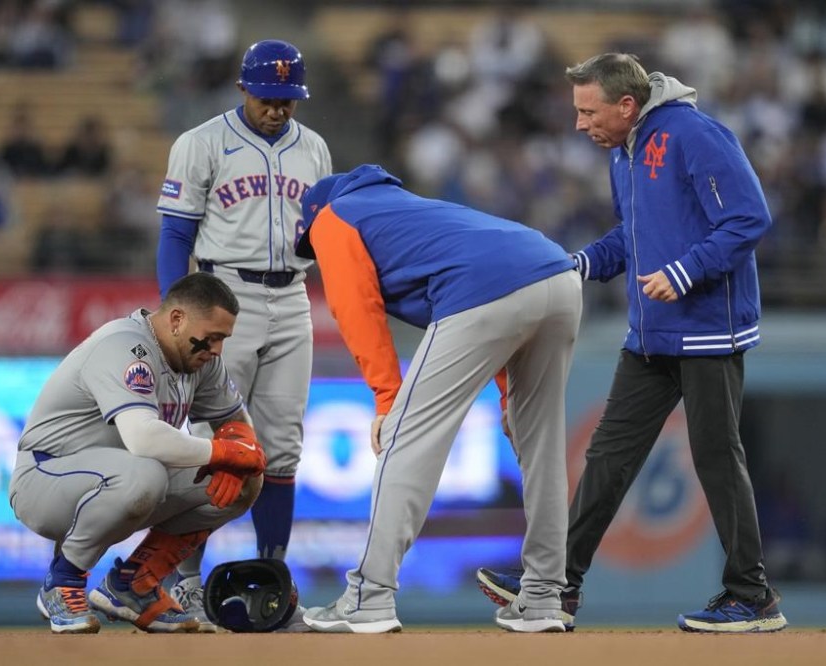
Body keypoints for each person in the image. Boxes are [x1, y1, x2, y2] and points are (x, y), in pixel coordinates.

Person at [475, 53, 788, 634]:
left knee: (716, 458)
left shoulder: (695, 133)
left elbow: (748, 218)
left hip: (707, 329)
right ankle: (558, 585)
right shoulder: (624, 149)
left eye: (587, 111)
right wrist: (581, 263)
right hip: (651, 332)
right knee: (607, 458)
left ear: (626, 105)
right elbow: (634, 234)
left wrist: (685, 272)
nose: (578, 124)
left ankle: (754, 596)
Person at [295, 164, 583, 634]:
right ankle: (544, 597)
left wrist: (388, 399)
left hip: (488, 289)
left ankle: (369, 596)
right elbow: (500, 290)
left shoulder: (334, 217)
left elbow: (355, 310)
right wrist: (510, 397)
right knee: (542, 449)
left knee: (406, 440)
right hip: (557, 274)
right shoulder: (406, 209)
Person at [155, 38, 332, 631]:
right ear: (242, 89)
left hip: (294, 296)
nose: (278, 108)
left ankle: (273, 584)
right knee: (214, 445)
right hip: (225, 296)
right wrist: (175, 311)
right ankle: (181, 583)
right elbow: (176, 234)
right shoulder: (202, 142)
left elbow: (321, 235)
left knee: (281, 448)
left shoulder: (314, 147)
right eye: (267, 97)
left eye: (288, 99)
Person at [9, 272, 267, 634]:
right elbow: (144, 440)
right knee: (145, 472)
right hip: (46, 479)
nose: (217, 349)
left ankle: (135, 585)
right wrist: (221, 451)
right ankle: (62, 582)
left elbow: (237, 422)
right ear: (177, 319)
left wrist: (239, 443)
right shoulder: (125, 345)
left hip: (117, 478)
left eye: (222, 339)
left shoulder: (201, 361)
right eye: (212, 337)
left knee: (245, 483)